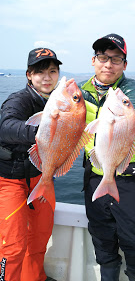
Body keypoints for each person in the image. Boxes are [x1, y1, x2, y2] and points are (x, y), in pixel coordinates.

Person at [79, 33, 135, 281]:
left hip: (127, 177)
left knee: (134, 237)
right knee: (101, 235)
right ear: (93, 61)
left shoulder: (132, 90)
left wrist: (118, 109)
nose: (108, 64)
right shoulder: (79, 93)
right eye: (102, 57)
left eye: (115, 58)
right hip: (94, 176)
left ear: (124, 64)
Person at [0, 47, 62, 281]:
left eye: (52, 71)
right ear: (29, 75)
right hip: (10, 181)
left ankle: (34, 277)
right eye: (40, 72)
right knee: (13, 245)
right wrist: (41, 132)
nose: (47, 77)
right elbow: (5, 128)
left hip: (40, 176)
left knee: (40, 237)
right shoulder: (19, 99)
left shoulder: (58, 101)